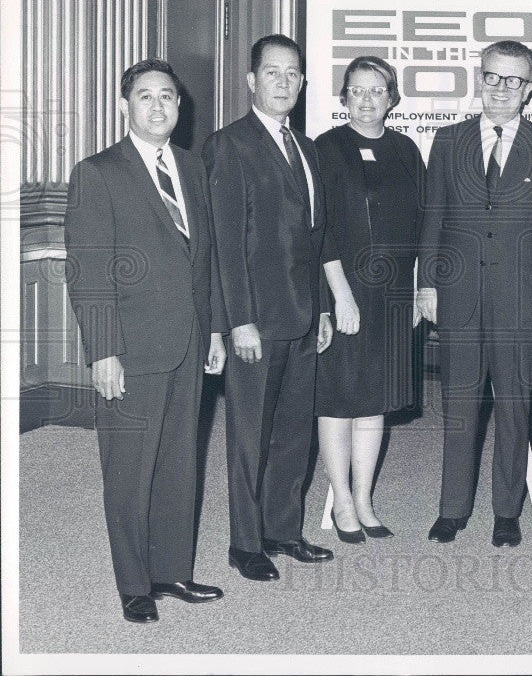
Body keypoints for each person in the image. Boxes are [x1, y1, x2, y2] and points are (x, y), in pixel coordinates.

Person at [65, 59, 226, 623]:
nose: (159, 108)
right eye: (146, 97)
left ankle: (171, 571)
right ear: (124, 106)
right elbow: (88, 271)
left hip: (188, 340)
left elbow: (206, 260)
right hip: (131, 348)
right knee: (130, 467)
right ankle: (134, 584)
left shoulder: (192, 166)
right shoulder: (98, 172)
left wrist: (213, 329)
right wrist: (103, 350)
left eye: (169, 98)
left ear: (180, 107)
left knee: (180, 460)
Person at [418, 40, 532, 547]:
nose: (503, 89)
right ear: (478, 79)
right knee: (459, 404)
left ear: (530, 89)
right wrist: (426, 284)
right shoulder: (448, 141)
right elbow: (433, 220)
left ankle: (507, 510)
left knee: (513, 408)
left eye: (515, 80)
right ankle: (452, 508)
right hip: (459, 298)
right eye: (493, 77)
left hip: (522, 305)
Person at [202, 34, 334, 581]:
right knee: (250, 434)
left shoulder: (306, 146)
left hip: (304, 317)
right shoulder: (227, 145)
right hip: (256, 319)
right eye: (273, 73)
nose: (285, 83)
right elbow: (226, 244)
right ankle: (245, 543)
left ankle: (284, 530)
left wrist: (324, 309)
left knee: (293, 432)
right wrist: (238, 320)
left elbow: (316, 238)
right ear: (252, 81)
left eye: (294, 74)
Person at [313, 57, 425, 543]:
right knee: (339, 397)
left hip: (394, 293)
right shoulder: (325, 148)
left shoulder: (406, 149)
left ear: (392, 98)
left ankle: (364, 499)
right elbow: (322, 230)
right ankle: (340, 499)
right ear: (344, 98)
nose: (366, 99)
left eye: (376, 91)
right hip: (343, 288)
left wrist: (420, 287)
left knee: (375, 398)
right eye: (357, 91)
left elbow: (423, 223)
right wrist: (341, 296)